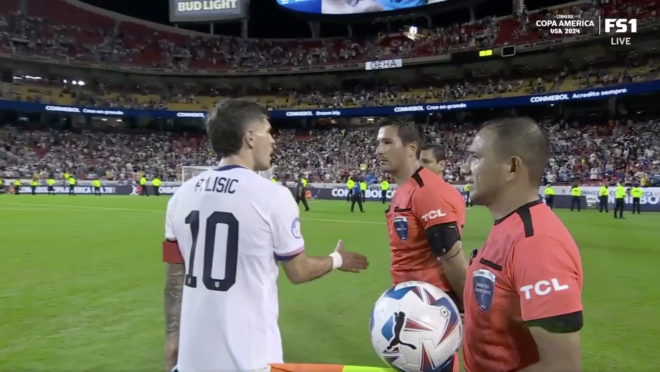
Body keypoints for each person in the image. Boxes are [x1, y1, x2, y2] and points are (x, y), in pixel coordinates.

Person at [162, 99, 369, 372]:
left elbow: (174, 279)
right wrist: (337, 259)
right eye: (268, 131)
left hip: (193, 360)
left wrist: (173, 336)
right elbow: (299, 271)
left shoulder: (180, 196)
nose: (273, 141)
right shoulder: (273, 196)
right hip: (251, 359)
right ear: (250, 137)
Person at [461, 118, 583, 372]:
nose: (464, 168)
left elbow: (563, 367)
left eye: (475, 157)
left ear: (512, 167)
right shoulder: (509, 226)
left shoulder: (536, 243)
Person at [376, 118, 468, 372]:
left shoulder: (426, 190)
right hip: (409, 303)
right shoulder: (403, 191)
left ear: (410, 147)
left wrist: (465, 307)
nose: (379, 150)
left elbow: (451, 255)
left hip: (431, 309)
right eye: (378, 143)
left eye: (387, 142)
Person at [419, 143, 467, 229]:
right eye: (419, 163)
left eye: (426, 162)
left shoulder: (453, 196)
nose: (420, 167)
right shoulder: (411, 193)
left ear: (441, 165)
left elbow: (454, 237)